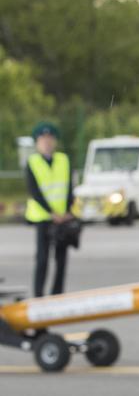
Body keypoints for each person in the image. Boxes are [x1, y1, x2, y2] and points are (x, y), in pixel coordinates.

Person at [25, 121, 76, 298]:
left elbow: (69, 186)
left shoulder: (63, 160)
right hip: (43, 217)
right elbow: (35, 191)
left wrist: (68, 210)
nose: (47, 142)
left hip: (63, 217)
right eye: (43, 139)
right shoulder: (32, 162)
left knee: (61, 261)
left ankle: (57, 295)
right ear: (37, 142)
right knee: (42, 259)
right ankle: (38, 295)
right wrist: (51, 212)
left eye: (50, 138)